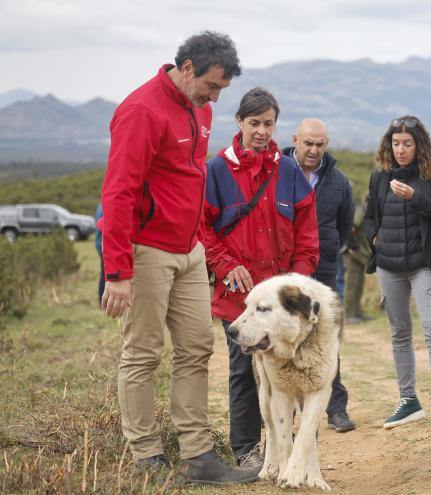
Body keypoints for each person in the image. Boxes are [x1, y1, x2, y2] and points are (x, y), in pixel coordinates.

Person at [100, 31, 257, 483]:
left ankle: (198, 457)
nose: (215, 97)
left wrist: (203, 249)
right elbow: (119, 191)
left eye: (221, 89)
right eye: (212, 85)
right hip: (146, 250)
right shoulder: (140, 111)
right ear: (187, 68)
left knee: (196, 347)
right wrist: (117, 271)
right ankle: (147, 458)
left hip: (190, 250)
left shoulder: (200, 108)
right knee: (143, 353)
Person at [203, 88, 320, 469]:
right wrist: (222, 263)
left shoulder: (288, 170)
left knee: (292, 372)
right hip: (238, 300)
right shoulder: (217, 170)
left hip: (283, 304)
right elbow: (201, 228)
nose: (261, 131)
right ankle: (247, 451)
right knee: (245, 372)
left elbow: (306, 231)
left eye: (268, 124)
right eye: (254, 123)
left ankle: (294, 451)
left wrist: (296, 284)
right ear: (239, 122)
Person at [363, 116, 431, 429]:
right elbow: (368, 216)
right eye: (396, 143)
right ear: (389, 145)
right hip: (388, 266)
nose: (401, 149)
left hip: (425, 264)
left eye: (408, 144)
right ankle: (408, 400)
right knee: (399, 333)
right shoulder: (379, 177)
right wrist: (374, 236)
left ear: (419, 146)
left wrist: (414, 197)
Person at [281, 118, 357, 434]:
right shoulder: (276, 173)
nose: (314, 150)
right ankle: (287, 415)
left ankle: (336, 409)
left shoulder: (339, 182)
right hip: (282, 270)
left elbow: (344, 229)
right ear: (295, 140)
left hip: (323, 270)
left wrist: (324, 252)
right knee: (285, 340)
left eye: (320, 144)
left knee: (325, 340)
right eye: (308, 143)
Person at [343, 195, 372, 324]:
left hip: (361, 254)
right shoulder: (362, 211)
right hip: (354, 253)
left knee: (359, 285)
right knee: (352, 286)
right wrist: (351, 246)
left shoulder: (368, 212)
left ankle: (358, 312)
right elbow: (351, 227)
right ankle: (349, 315)